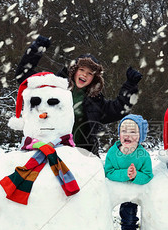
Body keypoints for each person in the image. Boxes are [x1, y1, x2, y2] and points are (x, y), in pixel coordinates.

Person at [15, 36, 143, 154]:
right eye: (81, 70)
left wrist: (130, 85)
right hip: (51, 151)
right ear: (74, 70)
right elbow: (23, 75)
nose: (84, 75)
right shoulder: (54, 86)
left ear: (94, 78)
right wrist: (37, 48)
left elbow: (119, 109)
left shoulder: (95, 100)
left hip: (81, 156)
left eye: (90, 73)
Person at [104, 114, 153, 230]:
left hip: (133, 192)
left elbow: (148, 175)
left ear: (140, 136)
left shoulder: (143, 155)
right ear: (119, 134)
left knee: (129, 217)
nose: (127, 135)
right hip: (117, 190)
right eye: (124, 131)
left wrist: (136, 176)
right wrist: (125, 174)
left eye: (133, 132)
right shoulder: (113, 153)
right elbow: (109, 171)